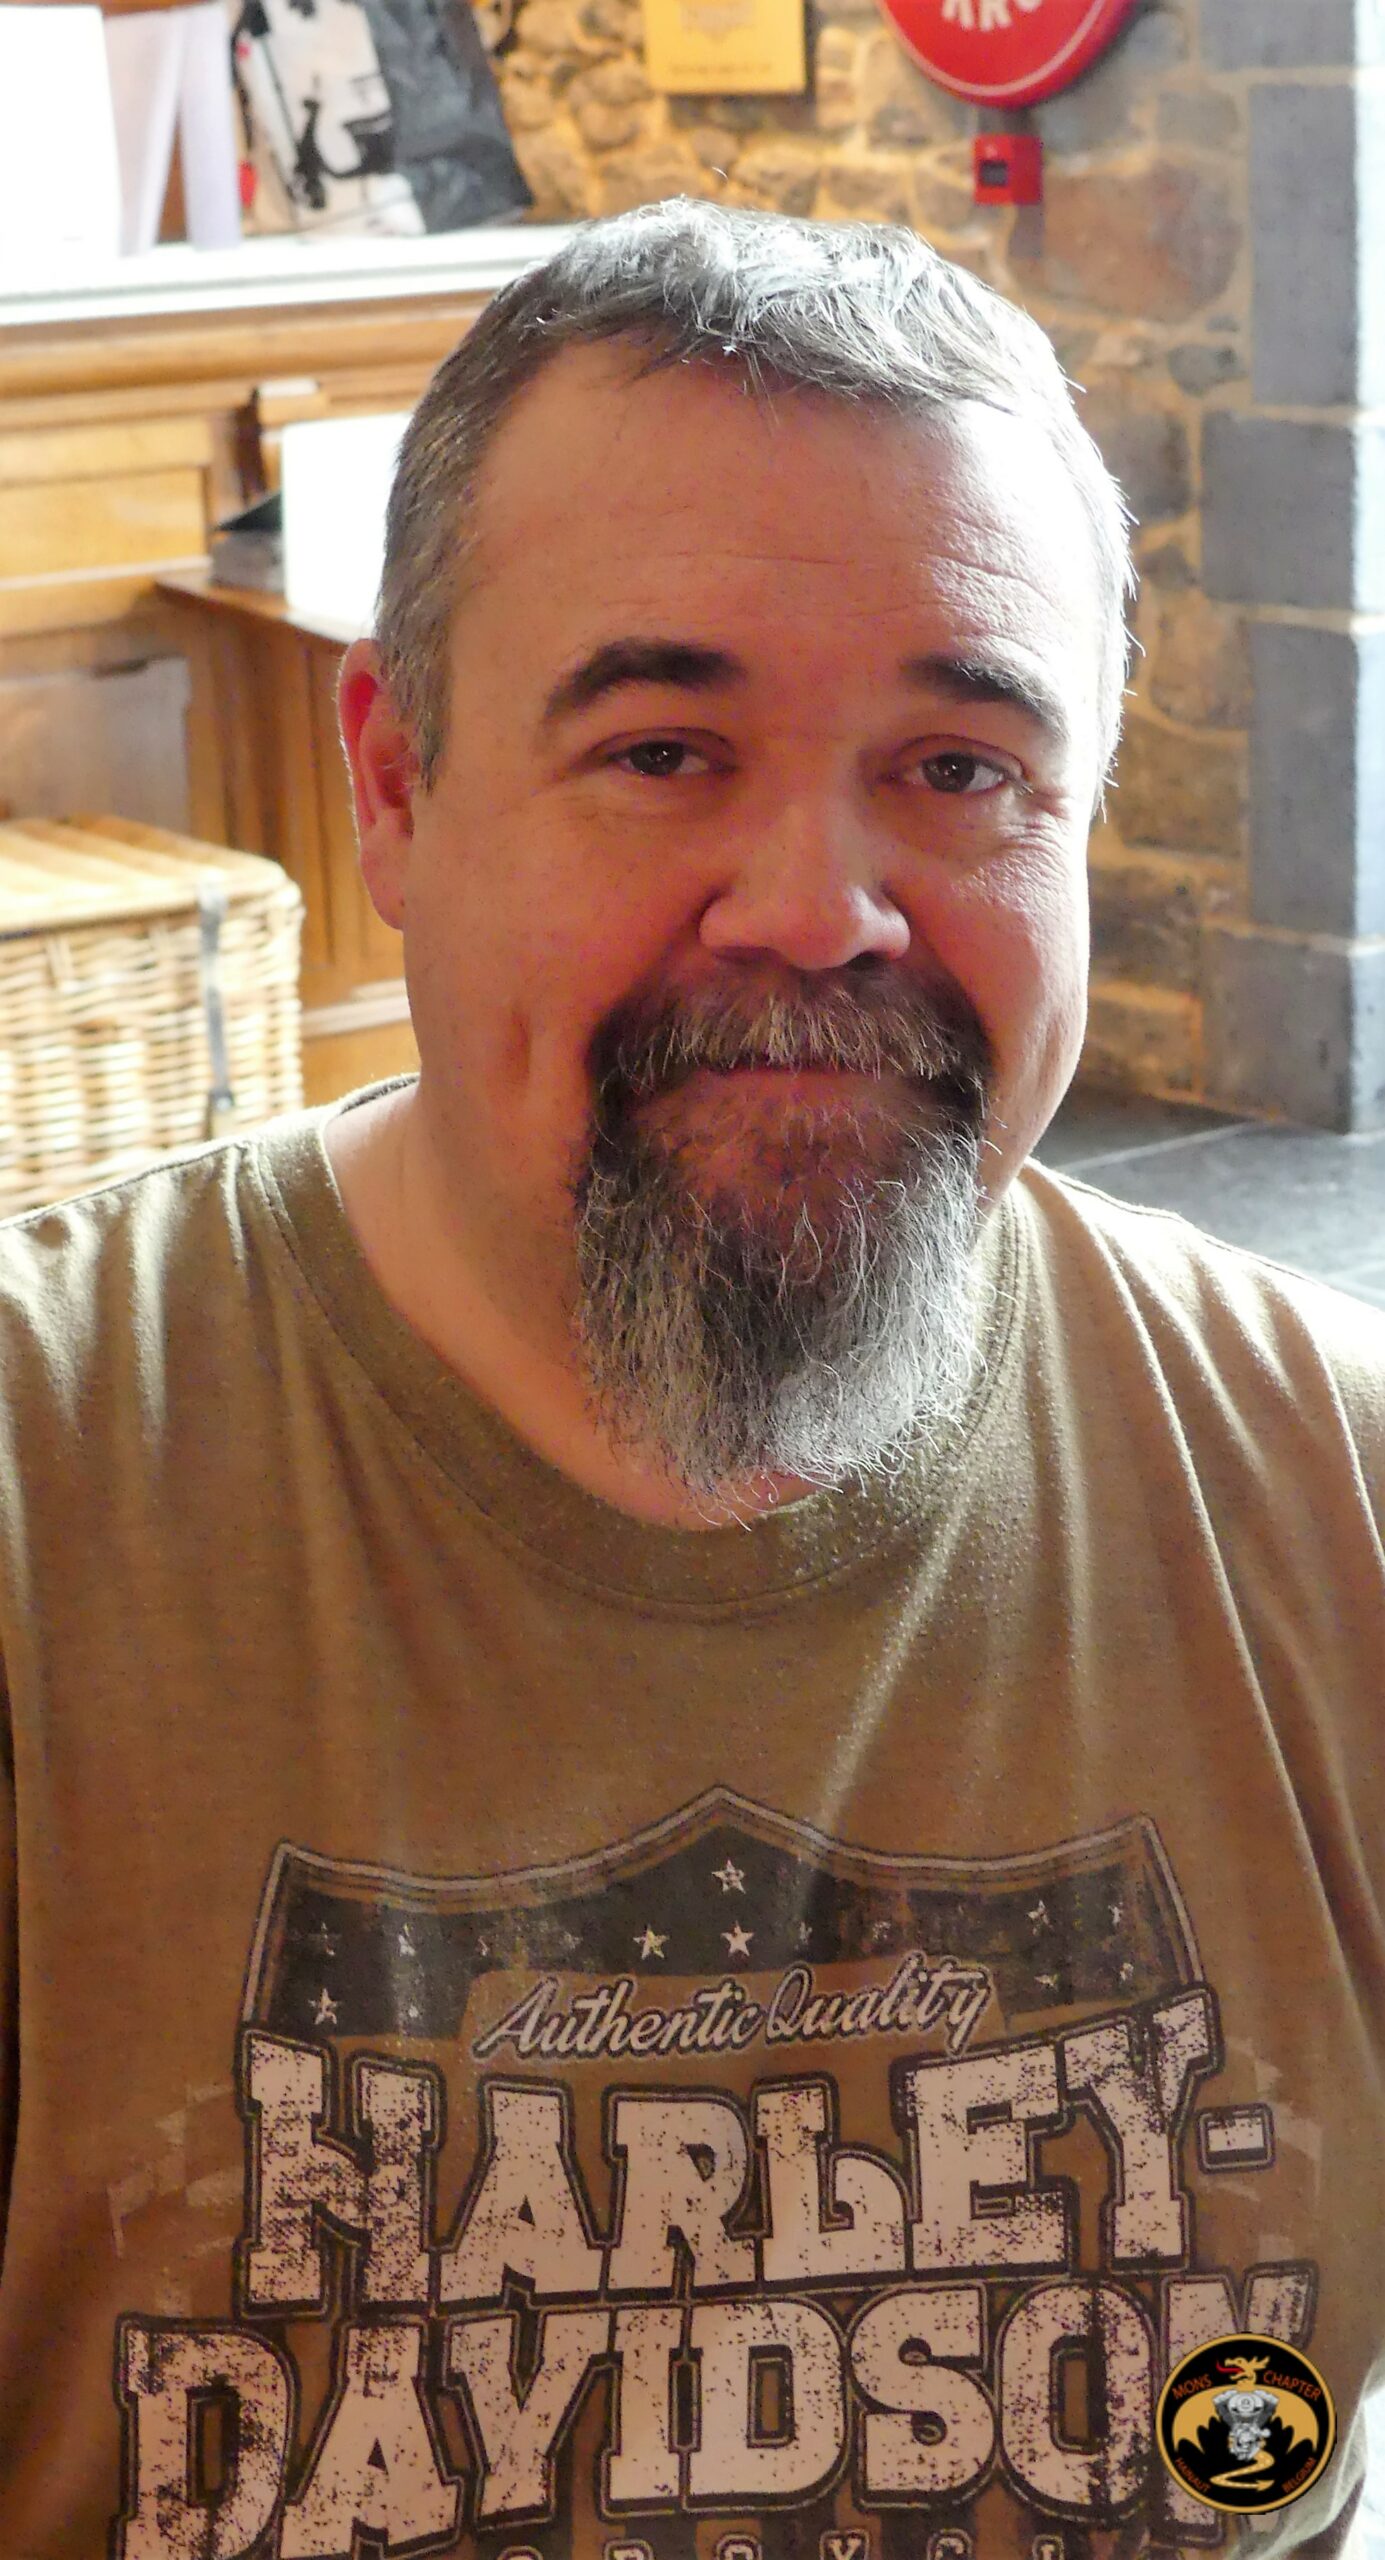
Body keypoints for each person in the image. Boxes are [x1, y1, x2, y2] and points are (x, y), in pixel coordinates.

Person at [0, 199, 1381, 2559]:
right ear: (397, 787)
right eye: (662, 747)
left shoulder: (1337, 1504)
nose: (819, 906)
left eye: (960, 766)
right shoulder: (48, 1503)